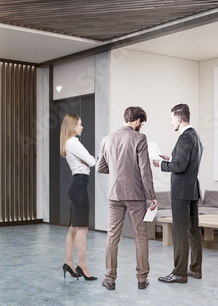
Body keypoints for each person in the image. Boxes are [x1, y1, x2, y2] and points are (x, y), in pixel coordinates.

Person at [97, 106, 158, 291]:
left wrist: (117, 171)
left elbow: (100, 167)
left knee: (112, 236)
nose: (142, 126)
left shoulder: (106, 139)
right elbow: (145, 171)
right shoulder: (140, 138)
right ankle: (141, 279)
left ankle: (109, 279)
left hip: (114, 194)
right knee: (140, 237)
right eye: (142, 123)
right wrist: (152, 196)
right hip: (135, 195)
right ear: (138, 121)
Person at [153, 103, 203, 284]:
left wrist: (161, 164)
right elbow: (185, 162)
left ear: (179, 119)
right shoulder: (195, 136)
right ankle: (195, 270)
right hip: (192, 190)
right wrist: (171, 159)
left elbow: (180, 167)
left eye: (172, 119)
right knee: (193, 231)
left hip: (181, 192)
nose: (171, 122)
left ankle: (179, 273)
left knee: (180, 232)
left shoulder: (184, 138)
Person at [60, 114, 97, 281]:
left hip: (76, 186)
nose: (82, 127)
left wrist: (86, 161)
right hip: (79, 187)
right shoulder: (73, 142)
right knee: (82, 229)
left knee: (74, 228)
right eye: (80, 124)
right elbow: (91, 161)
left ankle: (69, 263)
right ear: (73, 125)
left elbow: (88, 162)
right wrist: (86, 161)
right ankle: (82, 266)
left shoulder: (69, 143)